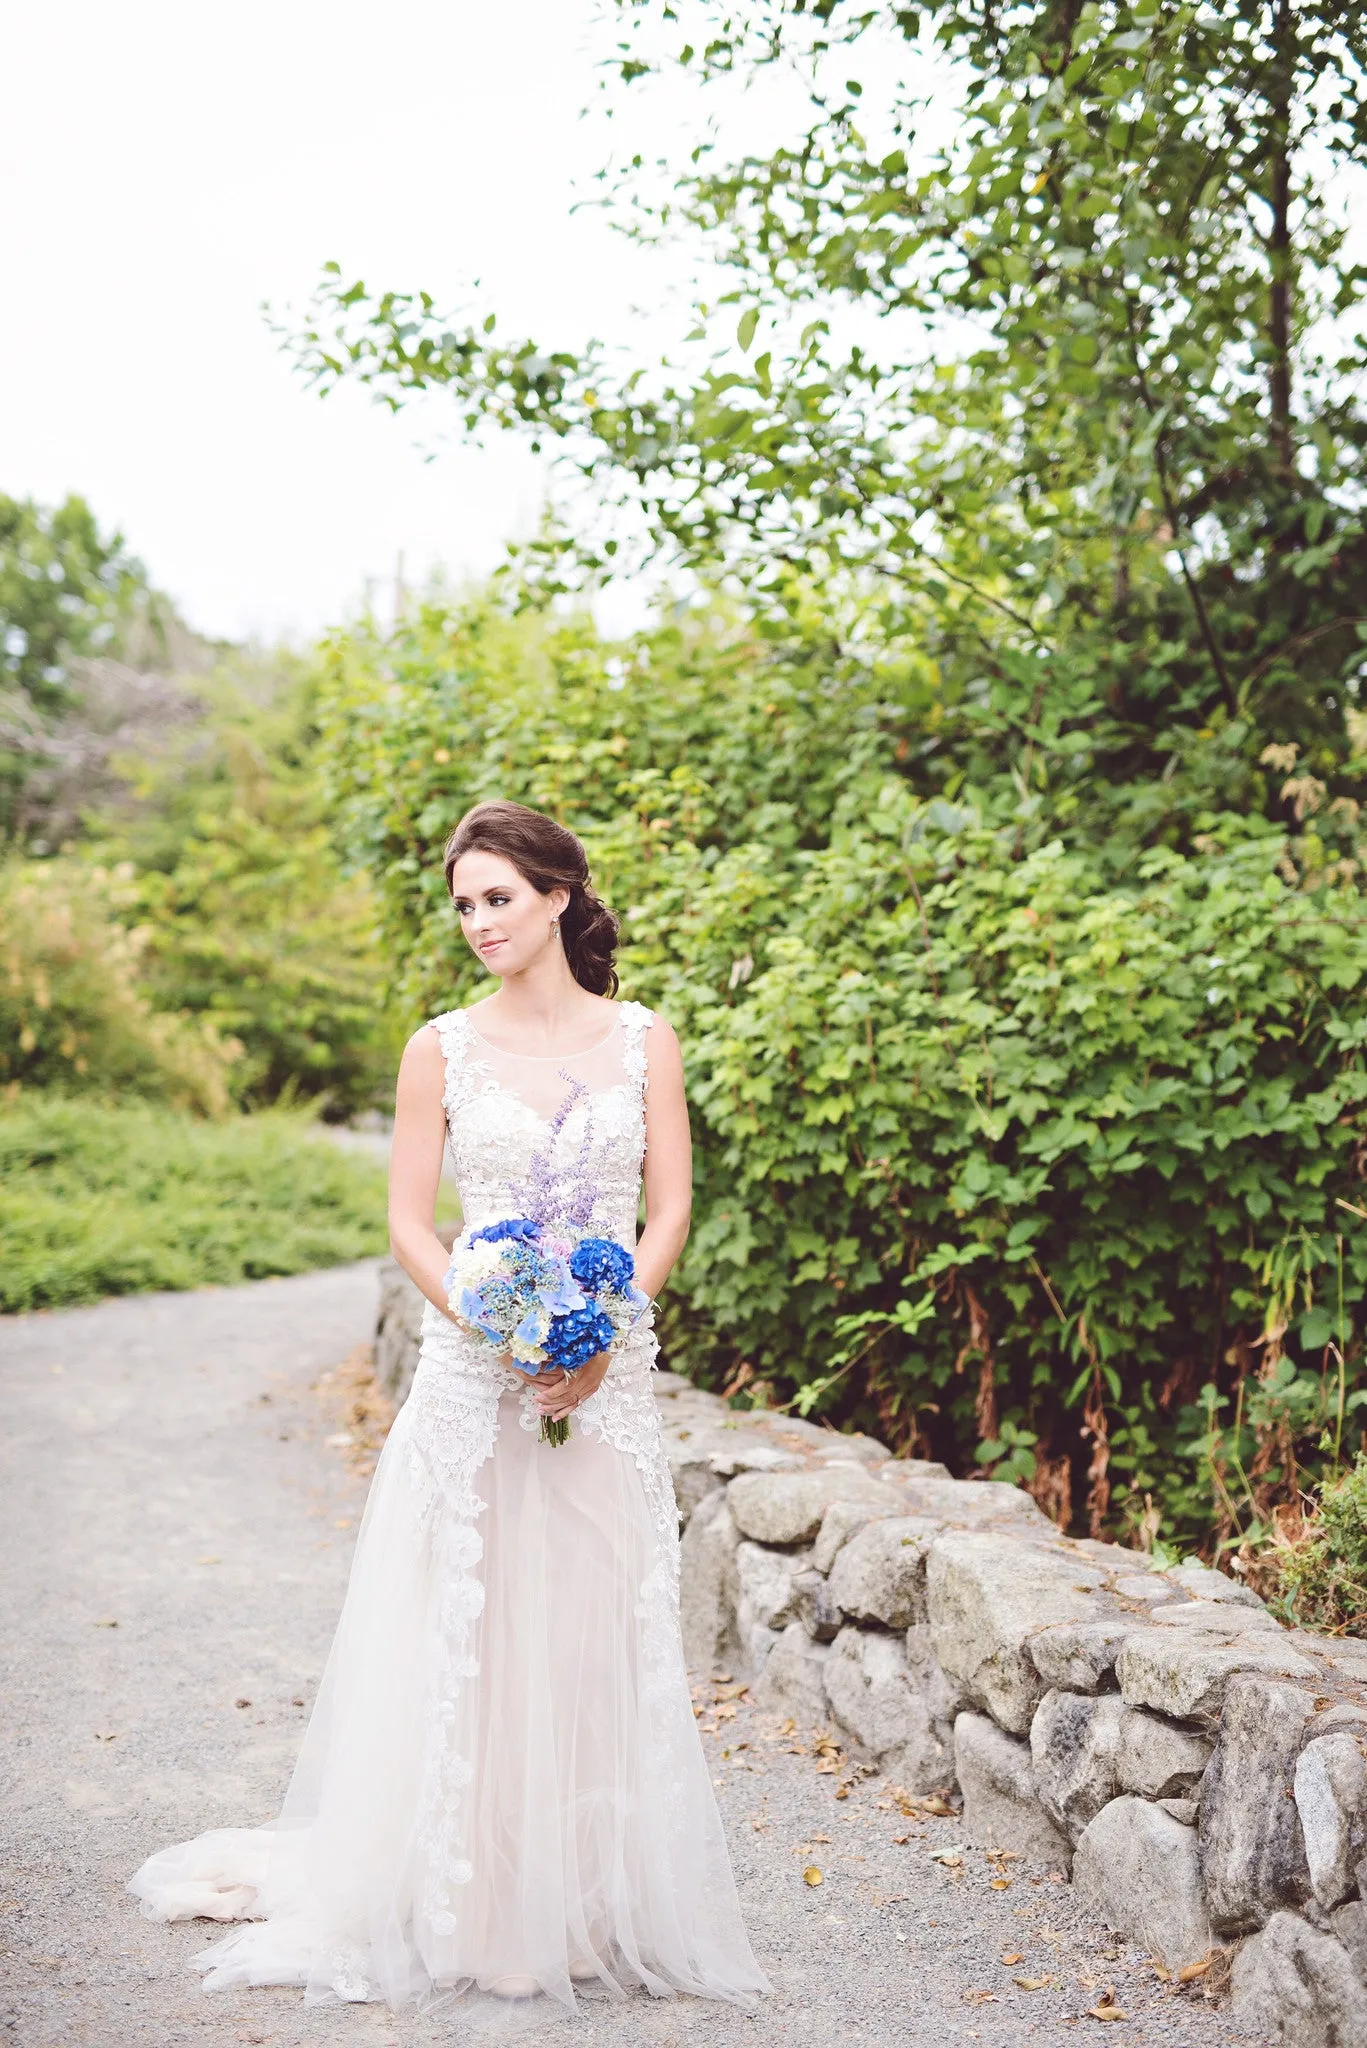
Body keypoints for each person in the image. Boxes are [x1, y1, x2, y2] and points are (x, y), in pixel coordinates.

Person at [128, 799, 769, 2015]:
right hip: (475, 1373)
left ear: (559, 897)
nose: (478, 920)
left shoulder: (646, 1038)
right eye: (464, 902)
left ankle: (582, 1902)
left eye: (499, 897)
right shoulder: (441, 1047)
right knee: (475, 1632)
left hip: (605, 1369)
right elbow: (410, 1224)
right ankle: (477, 1906)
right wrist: (498, 1324)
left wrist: (597, 1328)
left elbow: (670, 1206)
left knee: (587, 1625)